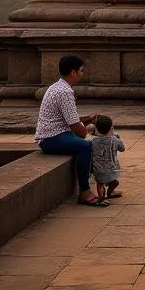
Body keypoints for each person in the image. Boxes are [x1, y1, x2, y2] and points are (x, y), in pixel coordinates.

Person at [35, 54, 106, 207]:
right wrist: (86, 131)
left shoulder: (57, 86)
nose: (82, 74)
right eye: (81, 71)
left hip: (57, 133)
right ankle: (85, 191)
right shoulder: (65, 92)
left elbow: (71, 120)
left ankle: (102, 183)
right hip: (50, 138)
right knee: (86, 146)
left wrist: (86, 120)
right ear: (73, 72)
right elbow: (76, 128)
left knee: (89, 137)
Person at [89, 115, 125, 202]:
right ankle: (109, 193)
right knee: (115, 182)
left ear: (96, 129)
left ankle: (101, 197)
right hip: (112, 170)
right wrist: (118, 138)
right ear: (111, 128)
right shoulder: (115, 140)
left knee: (100, 184)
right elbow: (122, 149)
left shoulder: (93, 141)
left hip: (98, 169)